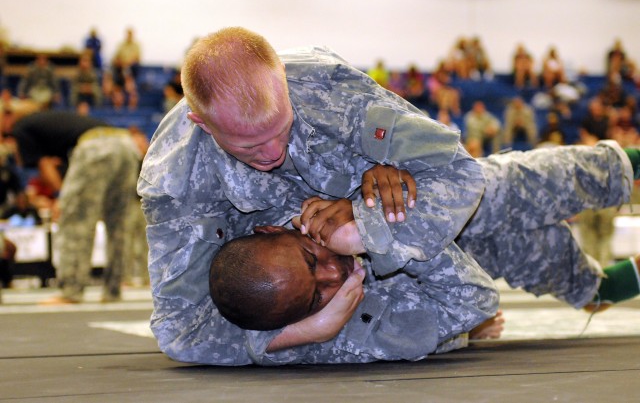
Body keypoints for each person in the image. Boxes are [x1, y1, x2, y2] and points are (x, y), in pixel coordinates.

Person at [138, 27, 490, 366]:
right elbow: (181, 331)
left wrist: (365, 230)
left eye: (280, 128)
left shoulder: (325, 86)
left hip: (435, 224)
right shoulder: (174, 178)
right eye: (250, 146)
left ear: (285, 85)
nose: (273, 152)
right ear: (202, 123)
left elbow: (460, 171)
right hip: (379, 275)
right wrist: (304, 334)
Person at [210, 142, 640, 350]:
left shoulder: (292, 192)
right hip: (486, 259)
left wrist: (381, 166)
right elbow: (422, 328)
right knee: (592, 288)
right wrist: (461, 332)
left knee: (579, 172)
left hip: (478, 197)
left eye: (311, 258)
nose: (332, 274)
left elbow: (373, 133)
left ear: (273, 230)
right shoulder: (330, 323)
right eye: (315, 295)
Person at [9, 110, 149, 304]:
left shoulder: (20, 128)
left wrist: (61, 197)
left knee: (76, 220)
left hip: (95, 146)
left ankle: (71, 290)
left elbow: (45, 166)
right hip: (125, 143)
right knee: (118, 223)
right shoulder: (51, 123)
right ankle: (113, 290)